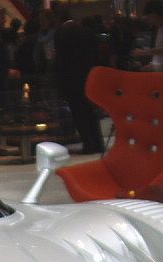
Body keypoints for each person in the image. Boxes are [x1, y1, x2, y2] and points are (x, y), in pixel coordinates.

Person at [52, 2, 103, 154]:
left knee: (79, 113)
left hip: (71, 79)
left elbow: (61, 61)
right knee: (90, 112)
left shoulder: (61, 33)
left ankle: (88, 143)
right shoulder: (85, 31)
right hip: (88, 77)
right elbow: (95, 54)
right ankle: (97, 142)